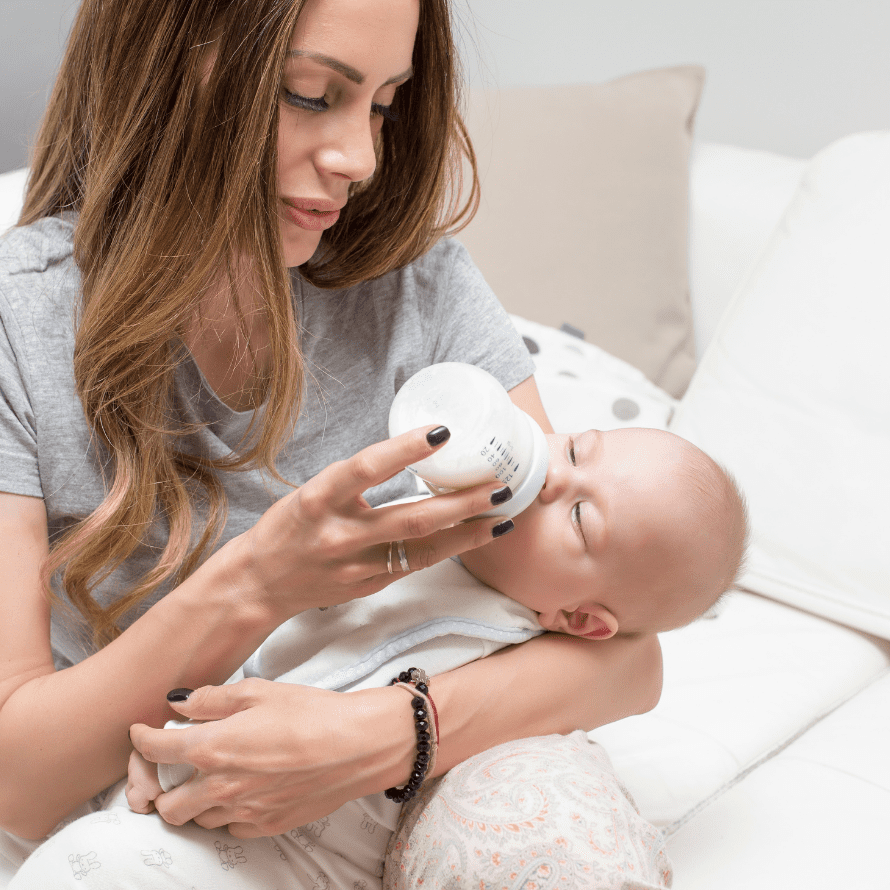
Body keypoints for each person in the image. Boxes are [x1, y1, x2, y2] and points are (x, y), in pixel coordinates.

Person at [0, 0, 667, 887]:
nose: (360, 158)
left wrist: (383, 735)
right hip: (187, 814)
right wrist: (260, 581)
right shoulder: (24, 324)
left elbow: (623, 651)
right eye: (312, 94)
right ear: (173, 64)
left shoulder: (418, 290)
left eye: (384, 105)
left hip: (427, 762)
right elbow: (18, 781)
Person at [119, 425, 748, 887]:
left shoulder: (488, 634)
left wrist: (178, 753)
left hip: (293, 851)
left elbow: (326, 685)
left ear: (579, 619)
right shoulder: (421, 533)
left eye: (581, 517)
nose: (552, 476)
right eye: (576, 450)